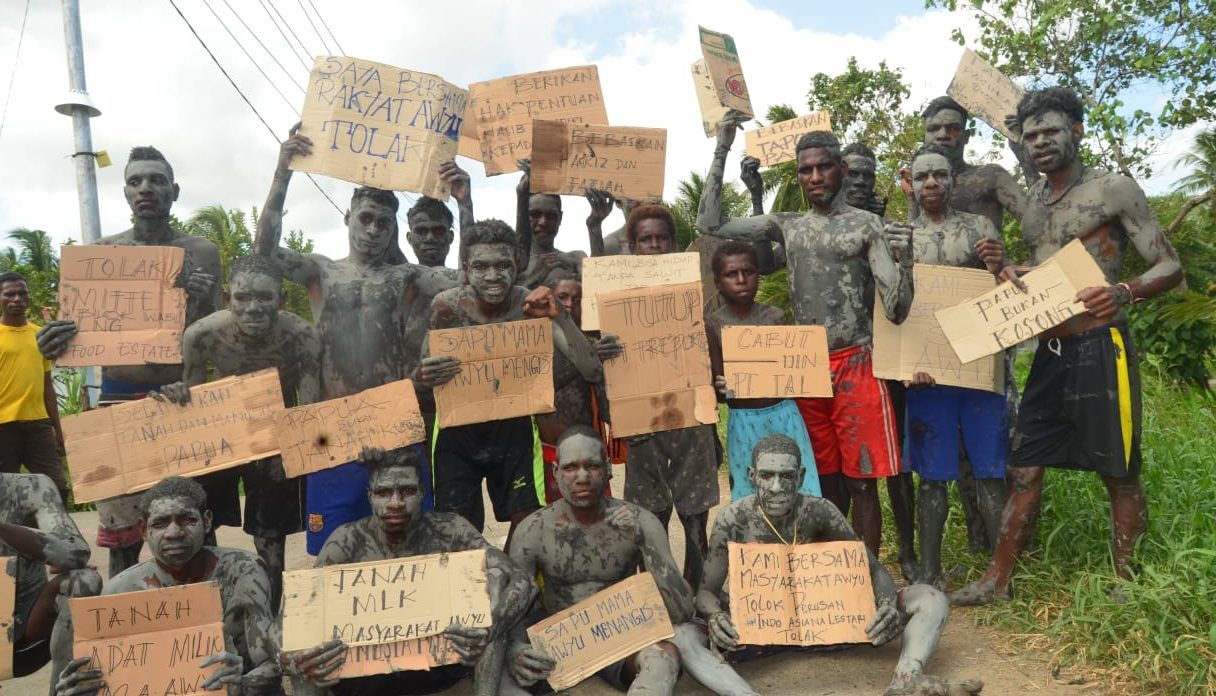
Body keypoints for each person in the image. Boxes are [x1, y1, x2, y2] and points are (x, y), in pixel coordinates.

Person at [952, 87, 1183, 605]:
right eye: (1031, 135)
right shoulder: (1031, 201)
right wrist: (1006, 267)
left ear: (1076, 131)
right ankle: (998, 580)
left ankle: (1128, 585)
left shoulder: (1113, 189)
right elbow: (1044, 273)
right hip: (1050, 350)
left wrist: (1124, 290)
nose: (1040, 142)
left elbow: (1169, 265)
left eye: (1050, 131)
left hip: (1101, 345)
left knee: (1118, 470)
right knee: (1024, 465)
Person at [699, 119, 913, 557]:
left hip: (857, 363)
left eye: (823, 168)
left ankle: (865, 572)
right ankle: (829, 571)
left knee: (862, 480)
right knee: (823, 478)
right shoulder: (788, 225)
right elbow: (710, 222)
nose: (814, 178)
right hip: (806, 369)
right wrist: (722, 147)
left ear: (841, 170)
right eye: (805, 170)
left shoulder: (867, 226)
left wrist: (903, 261)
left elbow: (896, 310)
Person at [253, 125, 457, 555]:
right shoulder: (322, 271)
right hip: (332, 428)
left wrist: (466, 203)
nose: (373, 229)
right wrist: (282, 173)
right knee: (332, 548)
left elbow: (469, 279)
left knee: (411, 542)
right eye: (365, 218)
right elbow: (265, 250)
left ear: (394, 229)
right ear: (348, 218)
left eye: (384, 222)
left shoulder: (406, 276)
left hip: (395, 424)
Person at [36, 146, 222, 577]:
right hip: (117, 401)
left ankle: (202, 624)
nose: (146, 189)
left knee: (191, 524)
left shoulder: (202, 252)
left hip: (183, 399)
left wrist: (192, 299)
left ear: (174, 190)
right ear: (124, 193)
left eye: (156, 180)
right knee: (122, 533)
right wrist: (51, 341)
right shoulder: (100, 255)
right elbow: (76, 336)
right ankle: (127, 630)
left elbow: (215, 334)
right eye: (137, 181)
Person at [696, 434, 982, 696]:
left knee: (931, 598)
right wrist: (715, 617)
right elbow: (706, 592)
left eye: (787, 476)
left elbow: (873, 569)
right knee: (685, 636)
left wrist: (885, 604)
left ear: (801, 477)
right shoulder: (733, 520)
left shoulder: (820, 512)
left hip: (829, 628)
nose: (776, 487)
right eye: (766, 475)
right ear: (751, 476)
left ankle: (907, 678)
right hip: (758, 636)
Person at [502, 426, 758, 696]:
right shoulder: (533, 530)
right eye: (570, 468)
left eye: (592, 466)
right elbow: (514, 607)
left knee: (663, 656)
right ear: (555, 472)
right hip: (559, 639)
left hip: (621, 635)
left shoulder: (640, 521)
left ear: (609, 468)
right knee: (504, 670)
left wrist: (644, 544)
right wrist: (516, 648)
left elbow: (682, 610)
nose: (581, 477)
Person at [287, 447, 536, 696]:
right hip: (364, 682)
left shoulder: (450, 531)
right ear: (370, 496)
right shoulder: (347, 541)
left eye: (407, 491)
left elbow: (521, 580)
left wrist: (490, 630)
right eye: (384, 493)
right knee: (307, 642)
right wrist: (292, 658)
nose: (396, 503)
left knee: (495, 579)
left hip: (442, 673)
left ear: (422, 492)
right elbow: (296, 616)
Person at [415, 219, 601, 545]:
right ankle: (473, 589)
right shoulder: (445, 308)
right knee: (457, 526)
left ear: (516, 264)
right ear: (464, 268)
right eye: (481, 266)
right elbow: (423, 380)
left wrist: (560, 315)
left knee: (527, 521)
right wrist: (422, 376)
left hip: (513, 428)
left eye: (502, 265)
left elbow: (590, 369)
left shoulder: (530, 305)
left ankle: (516, 583)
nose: (492, 275)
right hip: (456, 432)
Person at [150, 255, 321, 608]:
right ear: (228, 300)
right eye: (243, 298)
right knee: (201, 525)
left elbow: (309, 406)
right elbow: (190, 399)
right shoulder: (201, 335)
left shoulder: (300, 335)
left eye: (265, 298)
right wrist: (177, 393)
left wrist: (295, 450)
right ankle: (208, 606)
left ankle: (271, 610)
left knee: (270, 537)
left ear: (282, 300)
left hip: (274, 436)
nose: (253, 308)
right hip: (218, 436)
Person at [886, 144, 1008, 588]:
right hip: (928, 374)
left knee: (991, 470)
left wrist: (1000, 264)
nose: (932, 183)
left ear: (954, 180)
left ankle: (1000, 573)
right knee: (932, 475)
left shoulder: (980, 228)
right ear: (910, 184)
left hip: (977, 369)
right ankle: (932, 573)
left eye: (939, 175)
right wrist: (909, 363)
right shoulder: (901, 235)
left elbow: (1002, 294)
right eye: (922, 177)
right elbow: (892, 307)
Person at [914, 95, 1031, 553]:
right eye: (935, 128)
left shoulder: (983, 211)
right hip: (930, 359)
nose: (945, 135)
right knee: (940, 466)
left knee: (994, 457)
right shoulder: (904, 225)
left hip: (982, 353)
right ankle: (943, 559)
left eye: (953, 127)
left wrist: (1001, 263)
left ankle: (1002, 558)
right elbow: (900, 295)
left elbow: (1003, 281)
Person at [55, 476, 280, 696]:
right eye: (160, 523)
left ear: (207, 521)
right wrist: (78, 687)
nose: (174, 533)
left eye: (187, 520)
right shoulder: (121, 590)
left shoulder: (242, 572)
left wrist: (242, 684)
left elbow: (272, 663)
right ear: (143, 530)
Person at [596, 204, 721, 591]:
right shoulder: (615, 298)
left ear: (673, 243)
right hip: (642, 421)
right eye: (645, 240)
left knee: (695, 512)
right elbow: (604, 366)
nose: (654, 246)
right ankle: (660, 592)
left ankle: (697, 590)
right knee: (651, 514)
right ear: (632, 247)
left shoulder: (694, 291)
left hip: (690, 416)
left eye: (661, 238)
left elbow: (711, 342)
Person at [839, 139, 919, 582]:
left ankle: (906, 550)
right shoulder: (825, 228)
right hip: (847, 363)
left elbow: (913, 283)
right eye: (853, 173)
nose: (860, 182)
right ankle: (848, 552)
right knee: (850, 468)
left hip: (891, 357)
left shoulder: (885, 228)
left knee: (898, 465)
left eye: (868, 175)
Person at [704, 241, 821, 500]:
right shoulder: (713, 325)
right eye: (731, 274)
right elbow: (720, 392)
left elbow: (795, 372)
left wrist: (816, 375)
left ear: (758, 274)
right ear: (717, 281)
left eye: (748, 271)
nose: (741, 279)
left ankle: (801, 540)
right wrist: (722, 387)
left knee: (799, 489)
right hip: (744, 420)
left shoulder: (776, 317)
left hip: (785, 414)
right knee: (751, 494)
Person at [0, 472, 101, 689]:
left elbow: (76, 552)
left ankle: (64, 689)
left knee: (84, 580)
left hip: (25, 627)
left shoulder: (30, 487)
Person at [0, 272, 69, 504]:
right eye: (9, 294)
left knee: (57, 489)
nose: (17, 298)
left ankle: (52, 538)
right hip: (3, 427)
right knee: (4, 496)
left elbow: (47, 386)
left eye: (22, 293)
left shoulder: (41, 335)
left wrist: (59, 431)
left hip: (38, 427)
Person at [514, 162, 586, 289]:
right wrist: (536, 277)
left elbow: (599, 293)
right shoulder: (511, 264)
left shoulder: (575, 260)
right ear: (524, 217)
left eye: (551, 216)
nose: (543, 222)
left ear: (560, 218)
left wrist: (594, 228)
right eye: (535, 215)